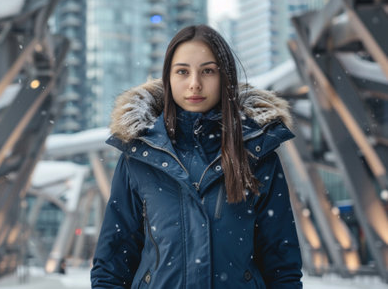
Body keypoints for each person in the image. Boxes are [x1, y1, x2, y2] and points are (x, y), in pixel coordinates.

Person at [91, 25, 303, 288]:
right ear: (168, 78)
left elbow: (282, 264)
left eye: (208, 71)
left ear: (224, 76)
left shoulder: (258, 154)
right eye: (182, 71)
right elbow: (113, 261)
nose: (195, 83)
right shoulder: (139, 156)